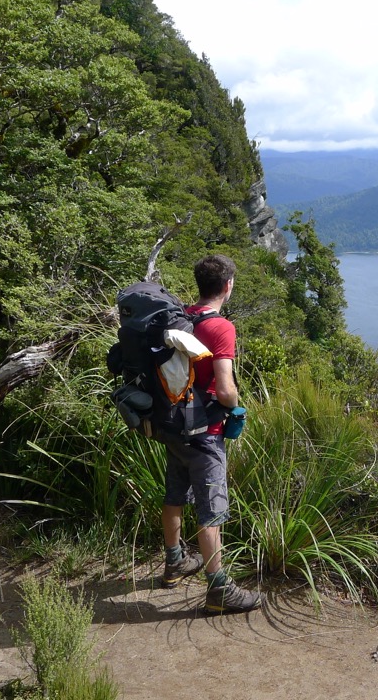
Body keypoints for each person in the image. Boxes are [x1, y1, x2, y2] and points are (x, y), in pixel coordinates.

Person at [158, 254, 263, 615]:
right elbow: (224, 387)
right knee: (211, 509)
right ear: (228, 285)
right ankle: (219, 589)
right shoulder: (221, 327)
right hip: (205, 432)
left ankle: (174, 562)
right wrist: (236, 407)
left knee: (175, 493)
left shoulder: (184, 317)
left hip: (173, 424)